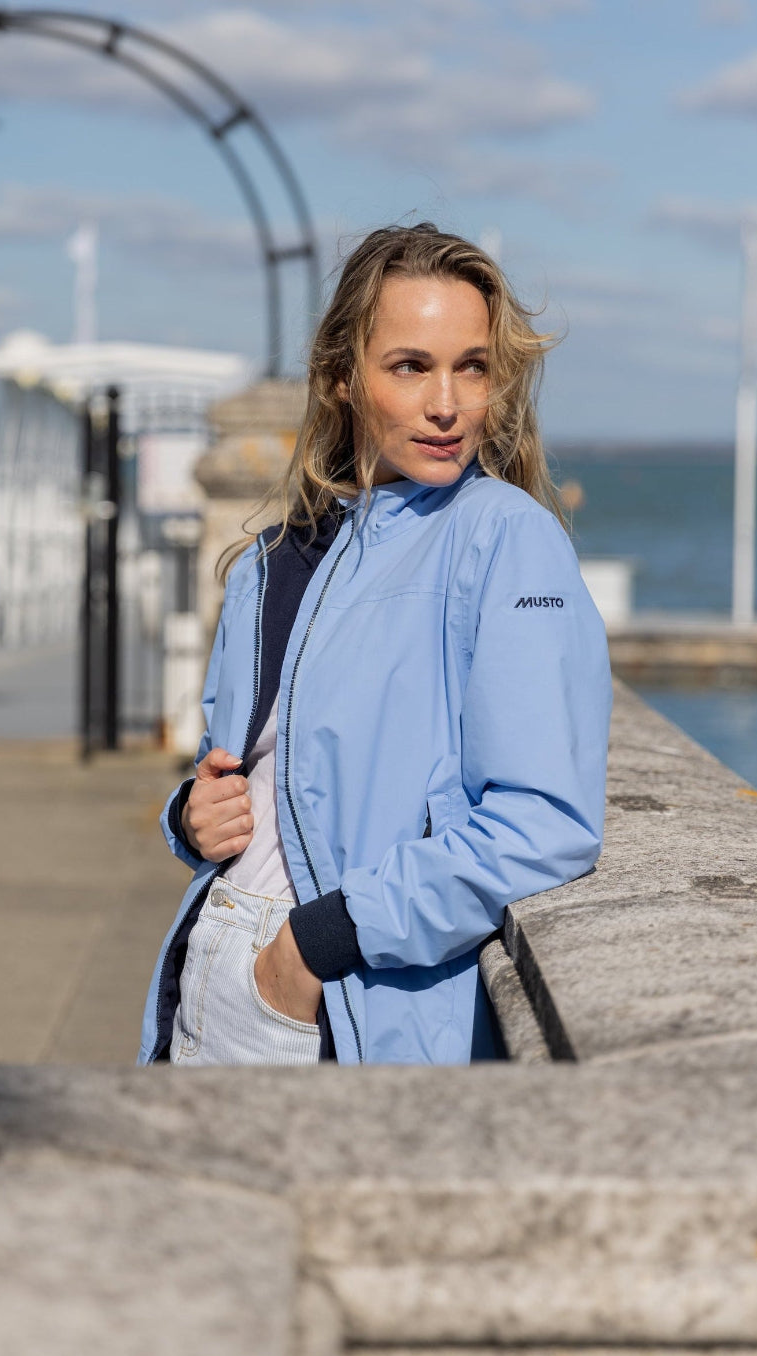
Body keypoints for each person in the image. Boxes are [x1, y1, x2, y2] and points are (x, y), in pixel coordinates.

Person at [138, 223, 611, 1068]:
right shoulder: (272, 564)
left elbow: (545, 822)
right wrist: (191, 816)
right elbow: (254, 776)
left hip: (333, 994)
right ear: (341, 379)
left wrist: (321, 942)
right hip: (209, 964)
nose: (448, 403)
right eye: (410, 365)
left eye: (472, 366)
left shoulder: (506, 538)